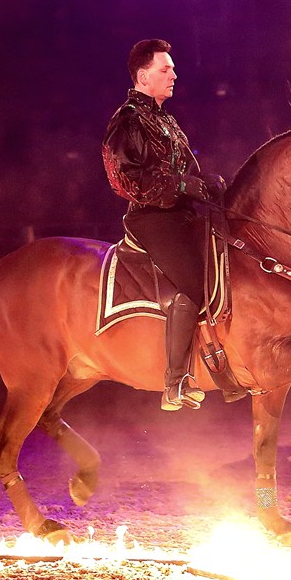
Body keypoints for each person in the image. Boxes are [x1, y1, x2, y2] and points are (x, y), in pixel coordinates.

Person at [101, 39, 225, 411]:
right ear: (143, 76)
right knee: (192, 282)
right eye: (165, 69)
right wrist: (181, 186)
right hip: (152, 218)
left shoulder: (165, 119)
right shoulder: (127, 120)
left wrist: (209, 185)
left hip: (180, 213)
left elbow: (187, 169)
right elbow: (124, 179)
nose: (174, 74)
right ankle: (175, 382)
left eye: (171, 68)